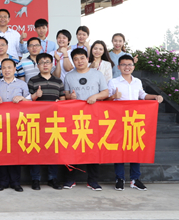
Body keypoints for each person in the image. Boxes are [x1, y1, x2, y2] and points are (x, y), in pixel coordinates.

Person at [108, 55, 163, 192]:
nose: (127, 67)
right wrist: (113, 97)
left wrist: (155, 96)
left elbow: (142, 95)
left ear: (133, 66)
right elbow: (106, 101)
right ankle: (119, 179)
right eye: (124, 64)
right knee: (119, 150)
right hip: (119, 121)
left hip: (134, 120)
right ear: (118, 67)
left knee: (135, 148)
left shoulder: (137, 81)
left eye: (129, 64)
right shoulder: (113, 82)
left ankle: (135, 179)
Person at [63, 48, 109, 191]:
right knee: (73, 147)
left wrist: (95, 96)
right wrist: (70, 97)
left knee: (93, 148)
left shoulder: (97, 74)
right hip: (74, 118)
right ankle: (71, 179)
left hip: (93, 117)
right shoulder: (69, 76)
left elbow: (106, 92)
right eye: (76, 59)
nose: (79, 61)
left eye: (82, 58)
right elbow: (65, 95)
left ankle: (93, 181)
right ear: (73, 61)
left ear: (87, 59)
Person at [0, 58, 31, 192]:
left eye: (9, 67)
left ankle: (15, 182)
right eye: (4, 68)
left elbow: (30, 101)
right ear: (1, 70)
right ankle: (2, 182)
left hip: (16, 123)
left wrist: (22, 99)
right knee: (1, 152)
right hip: (0, 124)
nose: (7, 70)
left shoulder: (22, 84)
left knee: (15, 153)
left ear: (14, 69)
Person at [27, 53, 65, 190]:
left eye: (47, 62)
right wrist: (35, 96)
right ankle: (35, 179)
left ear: (52, 64)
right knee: (35, 149)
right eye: (42, 62)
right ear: (37, 65)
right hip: (36, 121)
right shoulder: (32, 81)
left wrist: (60, 102)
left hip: (53, 121)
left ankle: (52, 178)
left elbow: (63, 99)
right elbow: (27, 101)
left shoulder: (58, 81)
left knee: (52, 149)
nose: (45, 65)